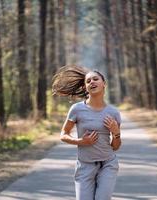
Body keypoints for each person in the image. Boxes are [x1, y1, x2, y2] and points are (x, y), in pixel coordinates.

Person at [52, 65, 122, 200]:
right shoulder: (77, 109)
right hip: (85, 166)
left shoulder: (113, 112)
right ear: (85, 88)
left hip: (107, 164)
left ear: (104, 84)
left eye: (95, 79)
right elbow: (63, 134)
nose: (92, 82)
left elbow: (115, 146)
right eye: (88, 81)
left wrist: (116, 133)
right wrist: (81, 141)